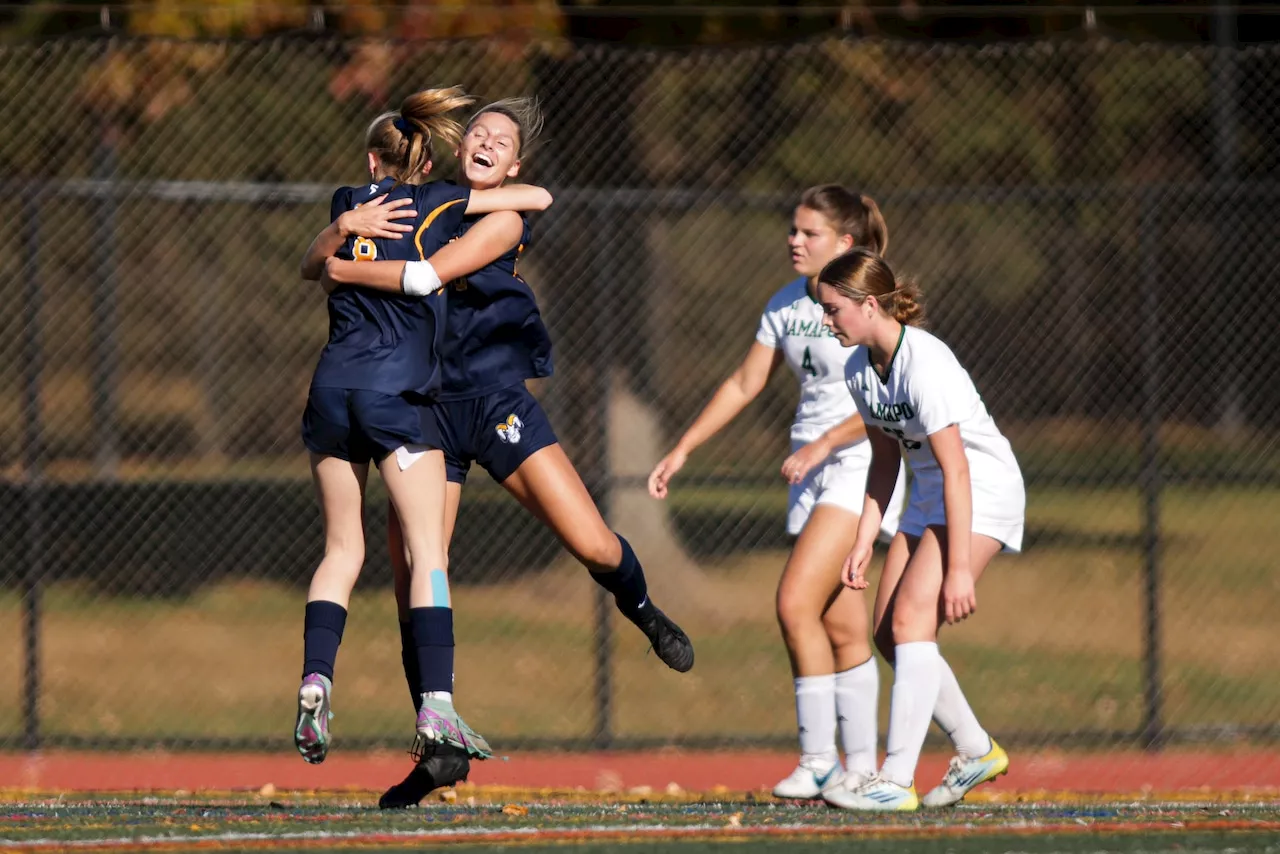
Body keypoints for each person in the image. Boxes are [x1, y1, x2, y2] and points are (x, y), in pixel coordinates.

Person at [312, 98, 695, 806]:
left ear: (512, 166)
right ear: (459, 151)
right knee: (414, 576)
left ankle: (642, 607)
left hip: (493, 405)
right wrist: (346, 227)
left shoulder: (500, 217)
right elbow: (357, 227)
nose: (485, 141)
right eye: (478, 133)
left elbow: (424, 274)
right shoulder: (415, 204)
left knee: (593, 543)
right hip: (421, 409)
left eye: (501, 140)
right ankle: (437, 748)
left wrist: (342, 267)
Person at [294, 86, 554, 769]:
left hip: (329, 392)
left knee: (342, 551)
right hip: (395, 396)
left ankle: (316, 679)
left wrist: (345, 236)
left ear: (373, 160)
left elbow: (311, 267)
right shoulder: (440, 202)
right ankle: (437, 704)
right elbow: (536, 201)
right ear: (426, 154)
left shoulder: (344, 204)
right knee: (426, 553)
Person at [648, 186, 905, 800]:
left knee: (794, 604)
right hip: (812, 474)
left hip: (860, 467)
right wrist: (683, 448)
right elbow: (744, 382)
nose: (794, 240)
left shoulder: (866, 305)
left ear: (845, 244)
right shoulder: (785, 304)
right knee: (842, 627)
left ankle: (819, 760)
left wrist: (823, 444)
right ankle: (860, 770)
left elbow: (890, 398)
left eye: (809, 233)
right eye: (793, 229)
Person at [814, 248, 1024, 811]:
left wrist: (958, 570)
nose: (825, 321)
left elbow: (958, 469)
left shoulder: (926, 363)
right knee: (889, 634)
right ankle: (976, 750)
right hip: (929, 493)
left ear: (871, 305)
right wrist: (864, 539)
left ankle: (896, 780)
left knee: (911, 622)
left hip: (980, 490)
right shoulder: (860, 368)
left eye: (834, 310)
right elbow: (885, 461)